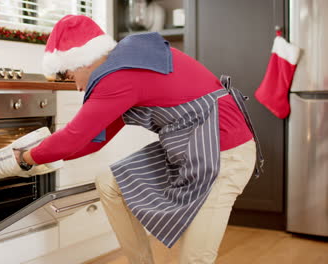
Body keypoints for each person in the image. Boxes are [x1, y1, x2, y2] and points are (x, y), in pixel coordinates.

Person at [13, 15, 263, 264]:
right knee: (110, 184)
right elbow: (93, 140)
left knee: (194, 259)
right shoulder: (127, 61)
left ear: (81, 62)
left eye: (70, 77)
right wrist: (42, 155)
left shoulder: (117, 77)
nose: (77, 87)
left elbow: (73, 137)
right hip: (192, 149)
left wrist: (23, 159)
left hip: (224, 156)